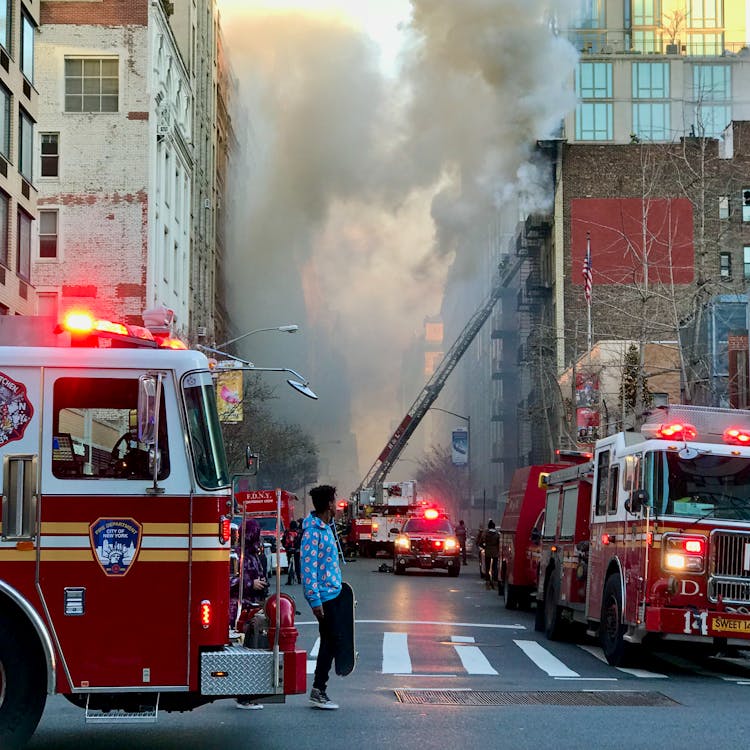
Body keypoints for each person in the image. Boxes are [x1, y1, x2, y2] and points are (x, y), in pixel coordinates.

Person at [301, 484, 344, 710]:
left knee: (332, 640)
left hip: (334, 593)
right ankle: (318, 690)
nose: (336, 506)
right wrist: (315, 600)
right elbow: (308, 569)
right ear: (328, 504)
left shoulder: (326, 528)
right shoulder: (312, 532)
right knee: (331, 640)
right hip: (324, 597)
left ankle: (319, 689)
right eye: (334, 501)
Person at [229, 518, 269, 710]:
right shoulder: (236, 556)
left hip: (254, 609)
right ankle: (244, 697)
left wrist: (262, 584)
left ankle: (250, 694)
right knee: (246, 654)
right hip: (240, 612)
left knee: (254, 651)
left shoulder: (254, 555)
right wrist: (249, 584)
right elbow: (227, 582)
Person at [482, 519, 500, 590]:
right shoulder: (497, 534)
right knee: (495, 568)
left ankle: (488, 583)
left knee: (487, 568)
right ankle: (495, 582)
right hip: (495, 553)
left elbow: (481, 542)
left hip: (488, 552)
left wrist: (485, 547)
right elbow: (499, 543)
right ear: (494, 527)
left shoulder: (486, 534)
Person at [283, 520, 301, 585]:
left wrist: (286, 548)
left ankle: (289, 580)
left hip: (289, 550)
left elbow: (283, 541)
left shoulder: (287, 532)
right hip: (297, 550)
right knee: (297, 565)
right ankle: (299, 579)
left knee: (289, 563)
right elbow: (301, 541)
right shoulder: (298, 532)